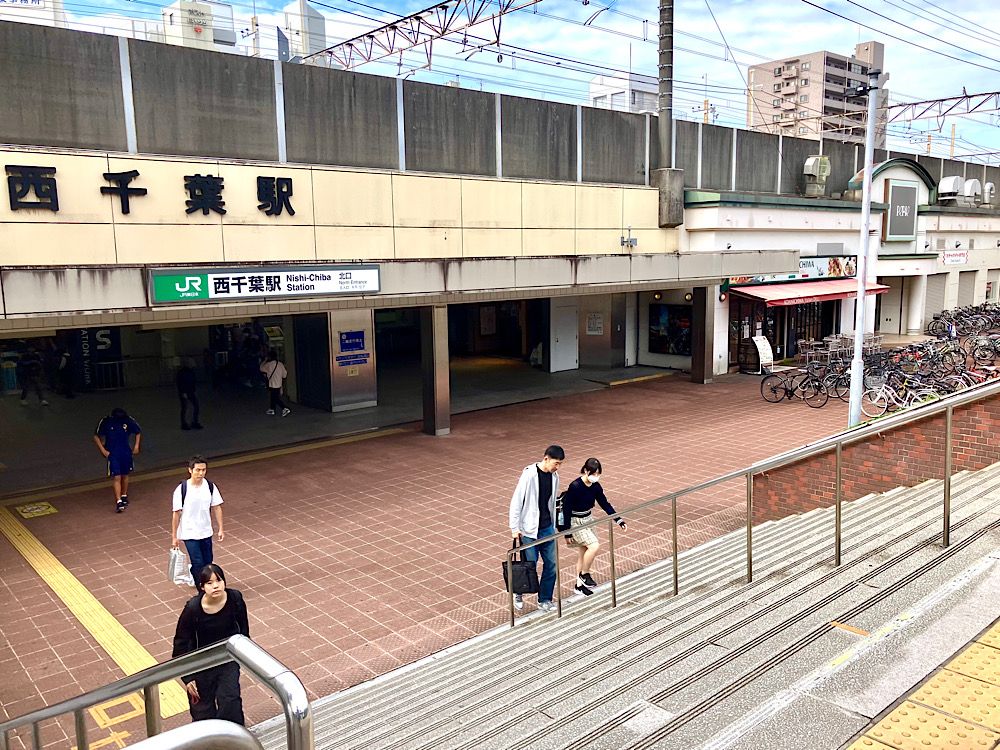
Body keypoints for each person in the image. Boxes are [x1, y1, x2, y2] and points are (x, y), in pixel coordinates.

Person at [171, 564, 249, 725]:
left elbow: (243, 629)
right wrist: (187, 678)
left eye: (219, 581)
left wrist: (243, 654)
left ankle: (234, 735)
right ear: (202, 587)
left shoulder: (235, 598)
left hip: (227, 657)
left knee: (229, 699)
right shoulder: (193, 609)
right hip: (201, 662)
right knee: (202, 706)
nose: (215, 586)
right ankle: (207, 736)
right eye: (209, 583)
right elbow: (181, 643)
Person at [557, 458, 627, 596]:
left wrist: (618, 520)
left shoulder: (596, 486)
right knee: (594, 546)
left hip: (588, 519)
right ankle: (584, 574)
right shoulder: (575, 486)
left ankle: (579, 586)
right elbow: (567, 509)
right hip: (575, 521)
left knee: (584, 552)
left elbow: (605, 503)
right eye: (593, 473)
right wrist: (567, 532)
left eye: (598, 474)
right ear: (586, 471)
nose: (596, 476)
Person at [508, 445, 564, 613]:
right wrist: (514, 527)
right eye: (556, 463)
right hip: (529, 528)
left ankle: (545, 599)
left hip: (547, 527)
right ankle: (518, 591)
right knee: (529, 565)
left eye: (560, 464)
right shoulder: (529, 475)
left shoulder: (554, 476)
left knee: (552, 564)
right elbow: (517, 501)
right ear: (546, 459)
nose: (557, 467)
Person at [172, 455, 225, 588]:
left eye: (203, 470)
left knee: (208, 562)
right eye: (198, 470)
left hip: (205, 531)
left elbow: (217, 507)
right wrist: (174, 536)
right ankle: (201, 588)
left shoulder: (210, 486)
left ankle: (203, 581)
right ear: (190, 470)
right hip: (189, 532)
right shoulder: (182, 489)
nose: (201, 473)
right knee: (197, 562)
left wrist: (221, 528)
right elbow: (176, 514)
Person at [93, 407, 142, 513]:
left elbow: (138, 431)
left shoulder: (128, 420)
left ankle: (124, 495)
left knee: (125, 474)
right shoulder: (106, 422)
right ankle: (118, 501)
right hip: (113, 453)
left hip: (125, 452)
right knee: (117, 476)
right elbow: (96, 437)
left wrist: (136, 446)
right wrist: (103, 450)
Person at [260, 350, 290, 417]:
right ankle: (272, 409)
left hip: (272, 383)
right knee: (273, 396)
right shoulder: (280, 364)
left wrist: (265, 361)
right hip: (279, 383)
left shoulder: (269, 364)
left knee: (275, 397)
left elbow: (261, 368)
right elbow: (284, 375)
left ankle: (284, 408)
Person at [177, 358, 203, 431]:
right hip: (185, 392)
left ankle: (194, 422)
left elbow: (193, 382)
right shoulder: (183, 372)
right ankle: (184, 424)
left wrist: (194, 390)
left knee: (195, 406)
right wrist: (183, 392)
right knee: (185, 408)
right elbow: (180, 383)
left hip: (190, 391)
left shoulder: (191, 371)